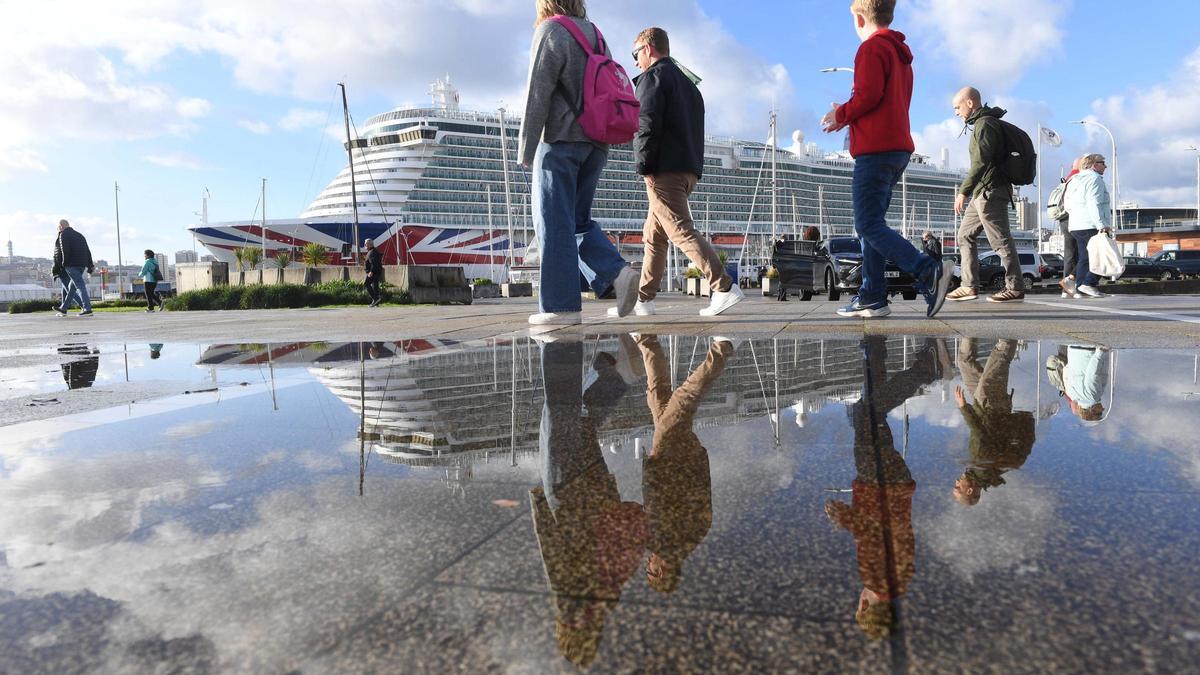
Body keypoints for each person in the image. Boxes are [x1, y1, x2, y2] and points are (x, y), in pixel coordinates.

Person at [820, 0, 952, 319]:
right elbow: (880, 98)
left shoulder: (871, 48)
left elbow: (868, 95)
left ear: (861, 17)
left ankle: (928, 272)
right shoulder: (899, 54)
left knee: (866, 223)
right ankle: (873, 296)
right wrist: (849, 112)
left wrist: (841, 113)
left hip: (875, 149)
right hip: (897, 148)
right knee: (872, 227)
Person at [518, 0, 639, 326]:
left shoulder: (551, 30)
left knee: (553, 224)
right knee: (577, 222)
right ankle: (617, 271)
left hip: (560, 141)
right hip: (597, 143)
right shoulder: (596, 35)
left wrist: (526, 150)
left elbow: (537, 92)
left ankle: (560, 308)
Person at [530, 336, 646, 667]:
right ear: (567, 637)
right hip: (570, 503)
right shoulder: (568, 607)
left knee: (581, 427)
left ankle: (618, 375)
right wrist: (540, 505)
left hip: (600, 498)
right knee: (559, 419)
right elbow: (553, 555)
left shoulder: (606, 601)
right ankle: (563, 345)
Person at [616, 26, 743, 319]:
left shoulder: (652, 78)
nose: (635, 61)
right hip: (688, 169)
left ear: (648, 48)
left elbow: (645, 124)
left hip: (663, 170)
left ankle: (723, 287)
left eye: (636, 54)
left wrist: (644, 166)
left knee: (680, 231)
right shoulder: (689, 85)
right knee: (654, 235)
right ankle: (644, 300)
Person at [825, 335, 942, 639]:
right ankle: (925, 371)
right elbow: (874, 533)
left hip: (896, 485)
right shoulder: (877, 578)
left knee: (869, 413)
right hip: (878, 484)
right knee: (868, 414)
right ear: (864, 607)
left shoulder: (901, 579)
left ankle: (876, 352)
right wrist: (845, 518)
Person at [636, 334, 732, 594]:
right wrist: (651, 464)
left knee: (658, 396)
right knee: (684, 399)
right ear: (662, 570)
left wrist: (699, 457)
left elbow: (703, 494)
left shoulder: (694, 538)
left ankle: (647, 339)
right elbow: (652, 498)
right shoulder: (662, 541)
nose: (648, 563)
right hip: (668, 457)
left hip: (688, 457)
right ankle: (723, 348)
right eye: (649, 569)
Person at [946, 87, 1025, 303]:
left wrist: (963, 191)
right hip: (982, 191)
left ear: (970, 103)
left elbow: (982, 161)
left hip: (992, 190)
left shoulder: (985, 124)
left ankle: (1015, 287)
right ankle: (969, 286)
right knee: (964, 235)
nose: (956, 112)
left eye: (957, 107)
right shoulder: (981, 124)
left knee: (1000, 240)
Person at [952, 338, 1036, 506]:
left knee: (964, 362)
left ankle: (971, 326)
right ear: (969, 490)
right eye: (957, 487)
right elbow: (979, 432)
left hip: (982, 406)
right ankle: (1010, 325)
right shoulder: (982, 467)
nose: (956, 481)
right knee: (1000, 357)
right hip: (990, 405)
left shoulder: (989, 472)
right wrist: (963, 407)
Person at [1063, 153, 1113, 299]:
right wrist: (1101, 225)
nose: (1105, 166)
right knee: (1102, 255)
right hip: (1090, 223)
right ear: (1094, 165)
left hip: (1075, 224)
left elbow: (1068, 205)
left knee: (1085, 257)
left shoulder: (1074, 180)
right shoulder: (1095, 179)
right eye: (1102, 162)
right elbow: (1094, 203)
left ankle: (1080, 287)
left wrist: (1077, 216)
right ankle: (1089, 283)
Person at [53, 219, 95, 317]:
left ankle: (87, 309)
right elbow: (87, 251)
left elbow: (64, 250)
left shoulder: (63, 235)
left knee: (80, 285)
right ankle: (63, 308)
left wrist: (64, 263)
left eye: (58, 227)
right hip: (81, 265)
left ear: (61, 226)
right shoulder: (80, 235)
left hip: (71, 265)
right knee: (71, 288)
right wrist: (90, 265)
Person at [1056, 157, 1084, 298]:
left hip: (1063, 218)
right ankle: (1073, 284)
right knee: (1084, 253)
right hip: (1074, 218)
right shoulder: (1079, 178)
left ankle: (1066, 289)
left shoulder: (1068, 178)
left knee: (1069, 255)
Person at [1063, 344, 1110, 423]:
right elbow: (1066, 370)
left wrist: (1100, 352)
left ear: (1092, 411)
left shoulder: (1093, 396)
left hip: (1088, 350)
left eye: (1100, 412)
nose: (1103, 409)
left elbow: (1092, 374)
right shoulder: (1072, 394)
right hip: (1073, 349)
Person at [363, 238, 383, 307]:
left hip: (373, 272)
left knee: (366, 284)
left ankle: (375, 299)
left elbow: (373, 263)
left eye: (365, 244)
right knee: (375, 286)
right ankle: (376, 303)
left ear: (369, 244)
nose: (364, 245)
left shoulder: (372, 252)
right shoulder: (373, 251)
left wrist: (371, 271)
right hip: (377, 271)